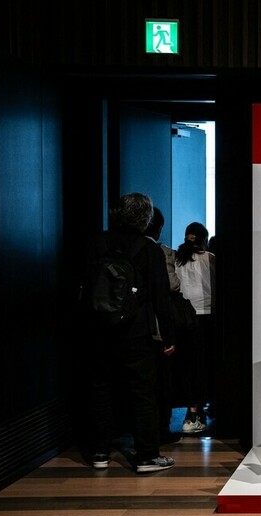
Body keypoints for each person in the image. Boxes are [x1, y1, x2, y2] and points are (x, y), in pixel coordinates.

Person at [81, 193, 176, 473]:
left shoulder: (97, 243)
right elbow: (161, 297)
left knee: (100, 389)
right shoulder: (149, 250)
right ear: (146, 219)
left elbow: (85, 287)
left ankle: (100, 451)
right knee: (142, 392)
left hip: (98, 329)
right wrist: (169, 336)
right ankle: (146, 456)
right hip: (136, 331)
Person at [143, 207, 182, 445]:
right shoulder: (161, 252)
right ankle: (161, 430)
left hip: (125, 325)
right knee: (161, 381)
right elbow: (172, 285)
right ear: (157, 229)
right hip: (156, 326)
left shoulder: (118, 248)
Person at [175, 222, 216, 434]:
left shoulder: (178, 260)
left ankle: (194, 411)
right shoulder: (211, 259)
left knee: (187, 365)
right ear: (204, 239)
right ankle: (193, 414)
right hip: (206, 317)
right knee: (202, 366)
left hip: (183, 319)